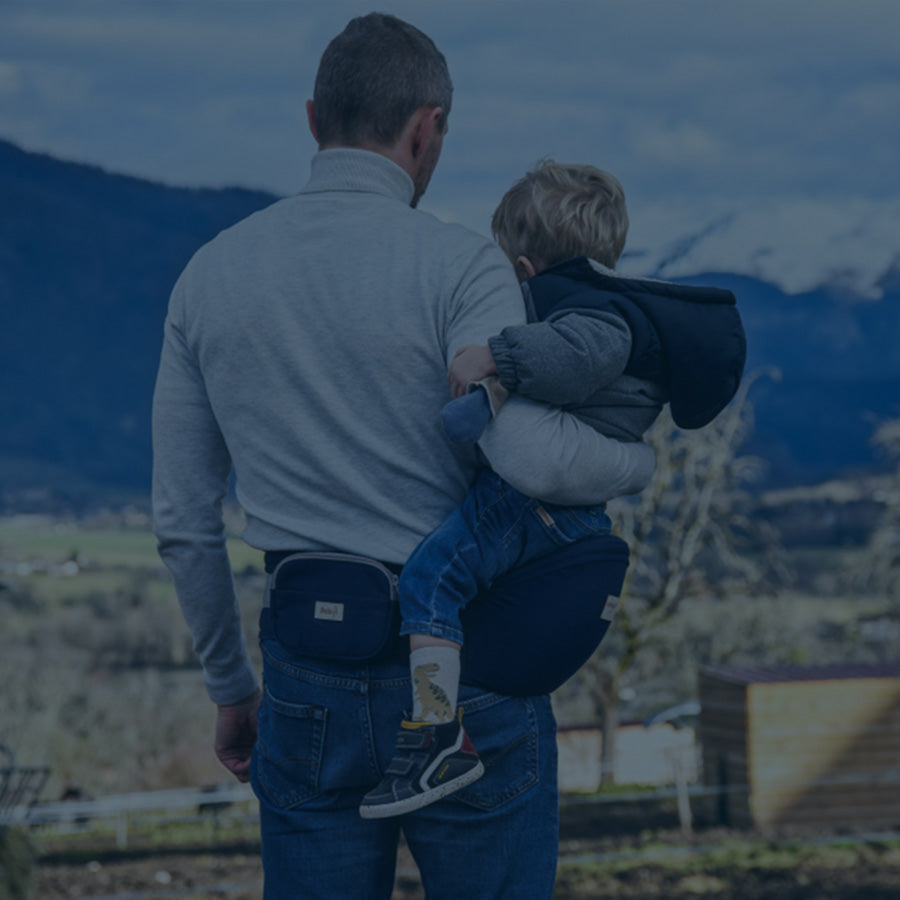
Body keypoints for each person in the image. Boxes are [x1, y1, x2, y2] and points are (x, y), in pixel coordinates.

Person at [152, 14, 655, 900]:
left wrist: (232, 687)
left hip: (305, 671)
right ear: (428, 128)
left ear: (315, 119)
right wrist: (633, 465)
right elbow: (530, 458)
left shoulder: (209, 275)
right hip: (470, 678)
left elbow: (184, 523)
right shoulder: (464, 268)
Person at [359, 161, 745, 819]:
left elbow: (581, 358)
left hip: (530, 504)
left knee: (431, 580)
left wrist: (496, 356)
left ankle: (435, 736)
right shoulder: (603, 299)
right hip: (558, 505)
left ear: (524, 268)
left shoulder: (595, 312)